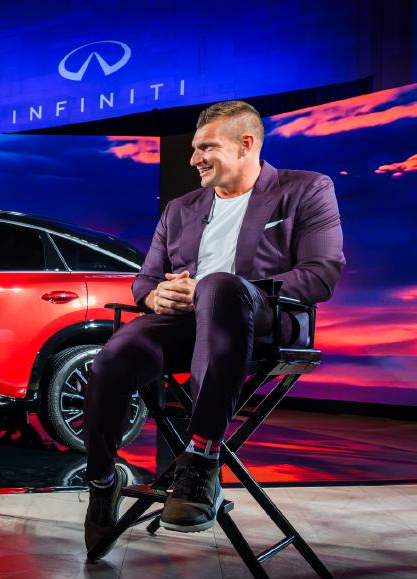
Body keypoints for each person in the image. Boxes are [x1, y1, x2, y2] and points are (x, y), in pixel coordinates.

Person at [83, 101, 345, 554]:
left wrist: (212, 286)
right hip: (186, 323)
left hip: (264, 320)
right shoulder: (181, 208)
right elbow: (145, 278)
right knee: (113, 360)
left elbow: (321, 275)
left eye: (206, 147)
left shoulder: (304, 189)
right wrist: (153, 297)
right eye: (192, 148)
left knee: (221, 288)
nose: (194, 159)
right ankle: (103, 481)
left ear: (246, 145)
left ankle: (202, 459)